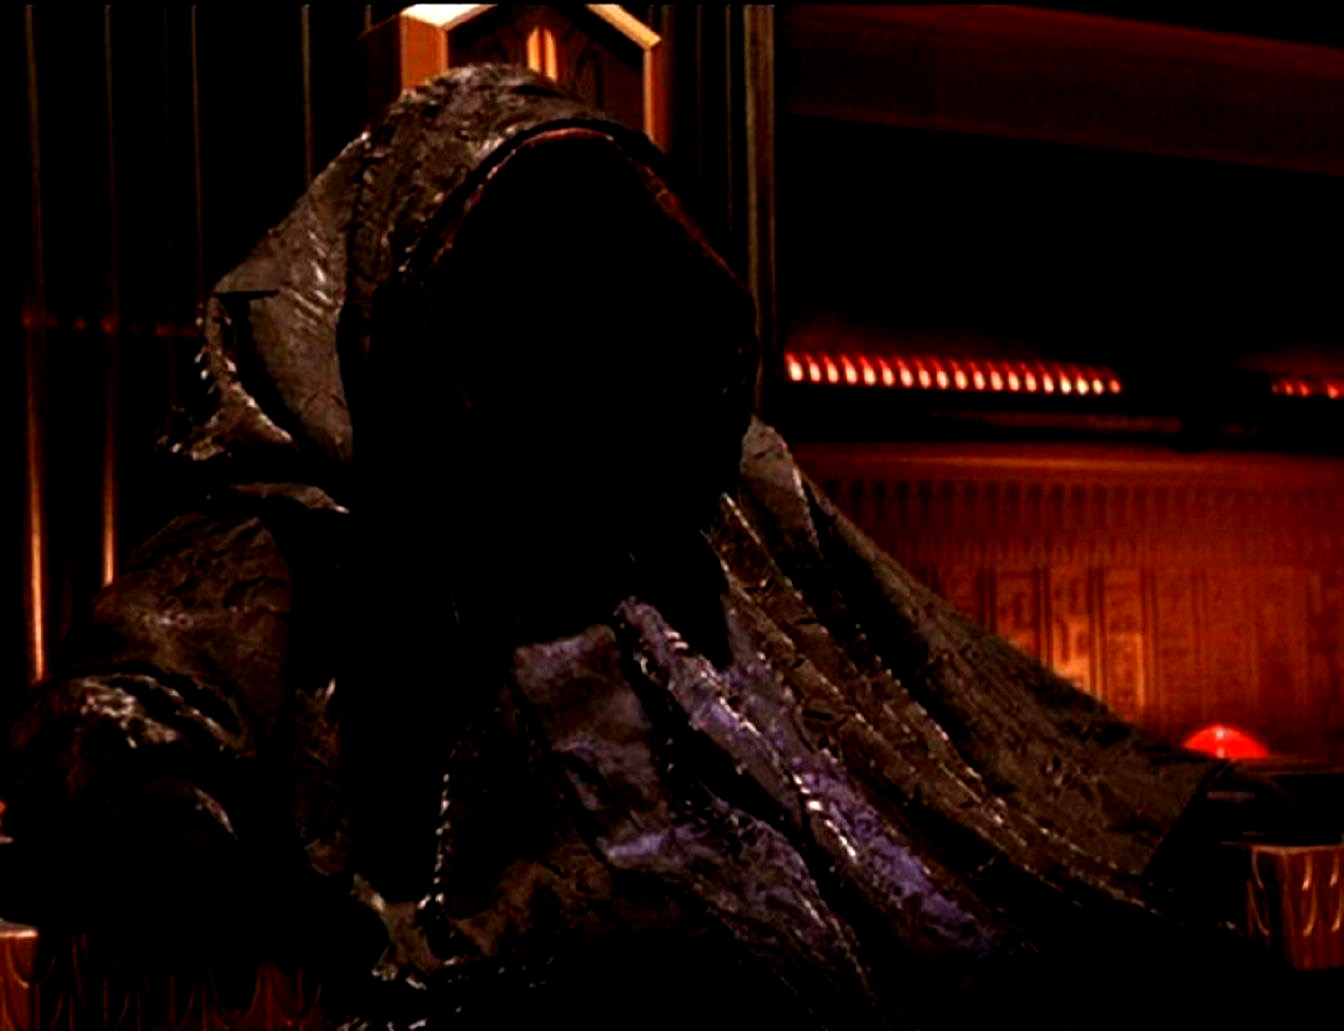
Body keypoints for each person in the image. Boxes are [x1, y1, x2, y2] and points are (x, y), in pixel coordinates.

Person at [3, 65, 1308, 1030]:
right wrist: (182, 830)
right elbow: (127, 713)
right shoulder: (315, 518)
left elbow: (937, 686)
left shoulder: (702, 498)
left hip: (848, 927)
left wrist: (1182, 801)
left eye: (596, 284)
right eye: (527, 281)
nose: (571, 327)